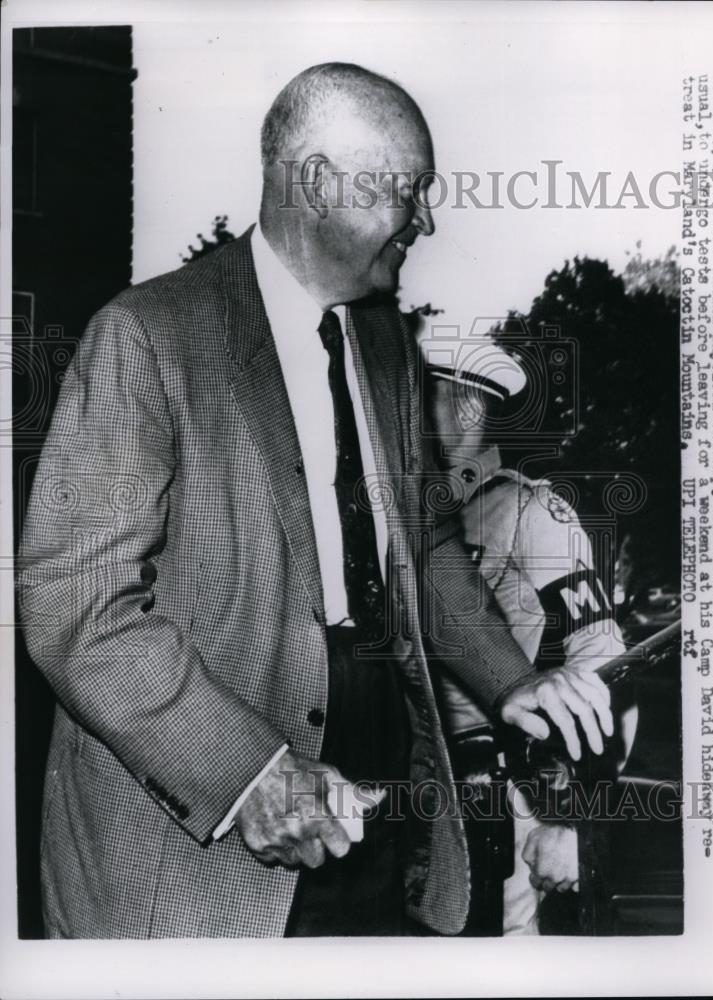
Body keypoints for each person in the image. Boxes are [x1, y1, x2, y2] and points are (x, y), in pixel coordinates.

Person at [17, 62, 612, 939]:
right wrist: (248, 773)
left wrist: (513, 682)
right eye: (408, 192)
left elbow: (427, 545)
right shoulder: (147, 336)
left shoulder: (381, 344)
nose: (427, 219)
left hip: (377, 789)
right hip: (203, 824)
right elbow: (74, 605)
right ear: (317, 183)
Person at [421, 329, 635, 934]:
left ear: (465, 406)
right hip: (410, 795)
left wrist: (576, 826)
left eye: (419, 395)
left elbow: (606, 668)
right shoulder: (408, 519)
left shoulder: (528, 510)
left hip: (499, 802)